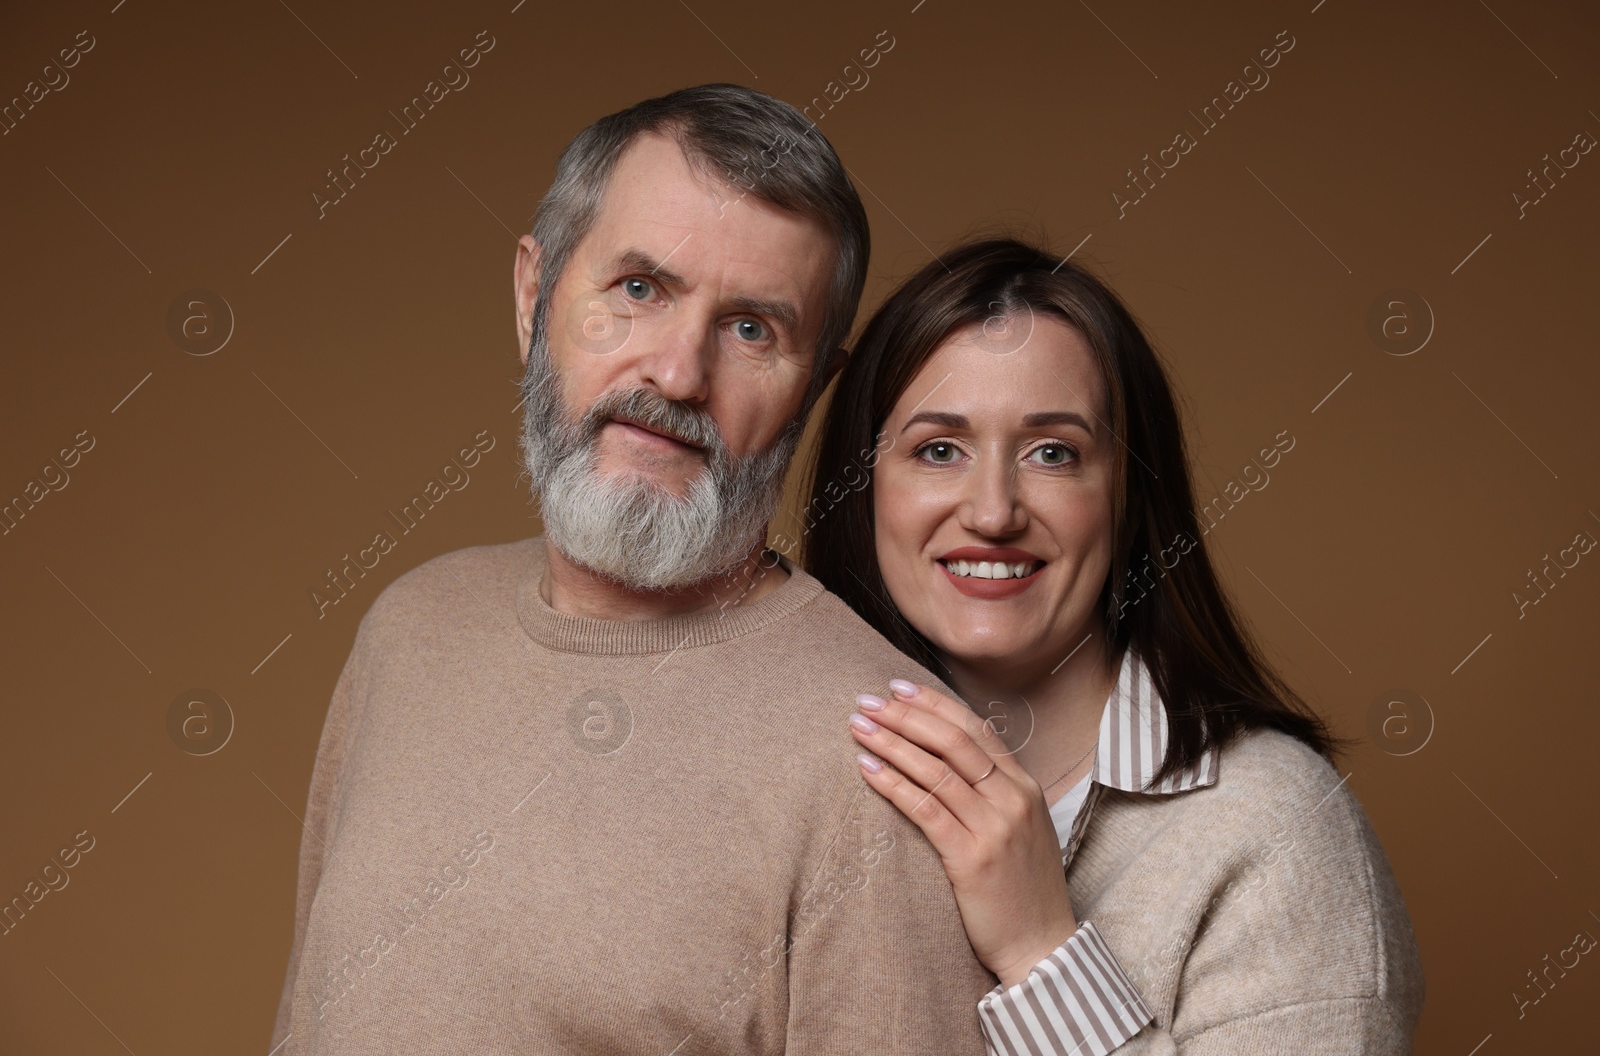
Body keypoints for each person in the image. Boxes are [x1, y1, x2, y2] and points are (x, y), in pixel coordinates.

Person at [268, 85, 1002, 1055]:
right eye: (639, 289)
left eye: (752, 329)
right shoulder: (409, 627)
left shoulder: (878, 755)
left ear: (816, 385)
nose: (677, 372)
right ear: (535, 296)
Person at [804, 235, 1426, 1054]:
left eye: (1053, 453)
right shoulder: (794, 769)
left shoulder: (1278, 831)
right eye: (939, 450)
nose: (993, 510)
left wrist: (1041, 951)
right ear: (863, 490)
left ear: (1129, 498)